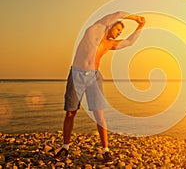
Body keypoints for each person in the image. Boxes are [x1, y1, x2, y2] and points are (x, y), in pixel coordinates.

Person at [54, 11, 145, 164]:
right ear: (110, 25)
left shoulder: (110, 44)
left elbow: (129, 42)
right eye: (118, 29)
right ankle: (65, 147)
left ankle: (105, 150)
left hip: (94, 77)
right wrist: (135, 18)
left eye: (120, 32)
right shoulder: (93, 31)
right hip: (77, 75)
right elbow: (118, 13)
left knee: (99, 115)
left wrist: (140, 26)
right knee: (70, 113)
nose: (119, 33)